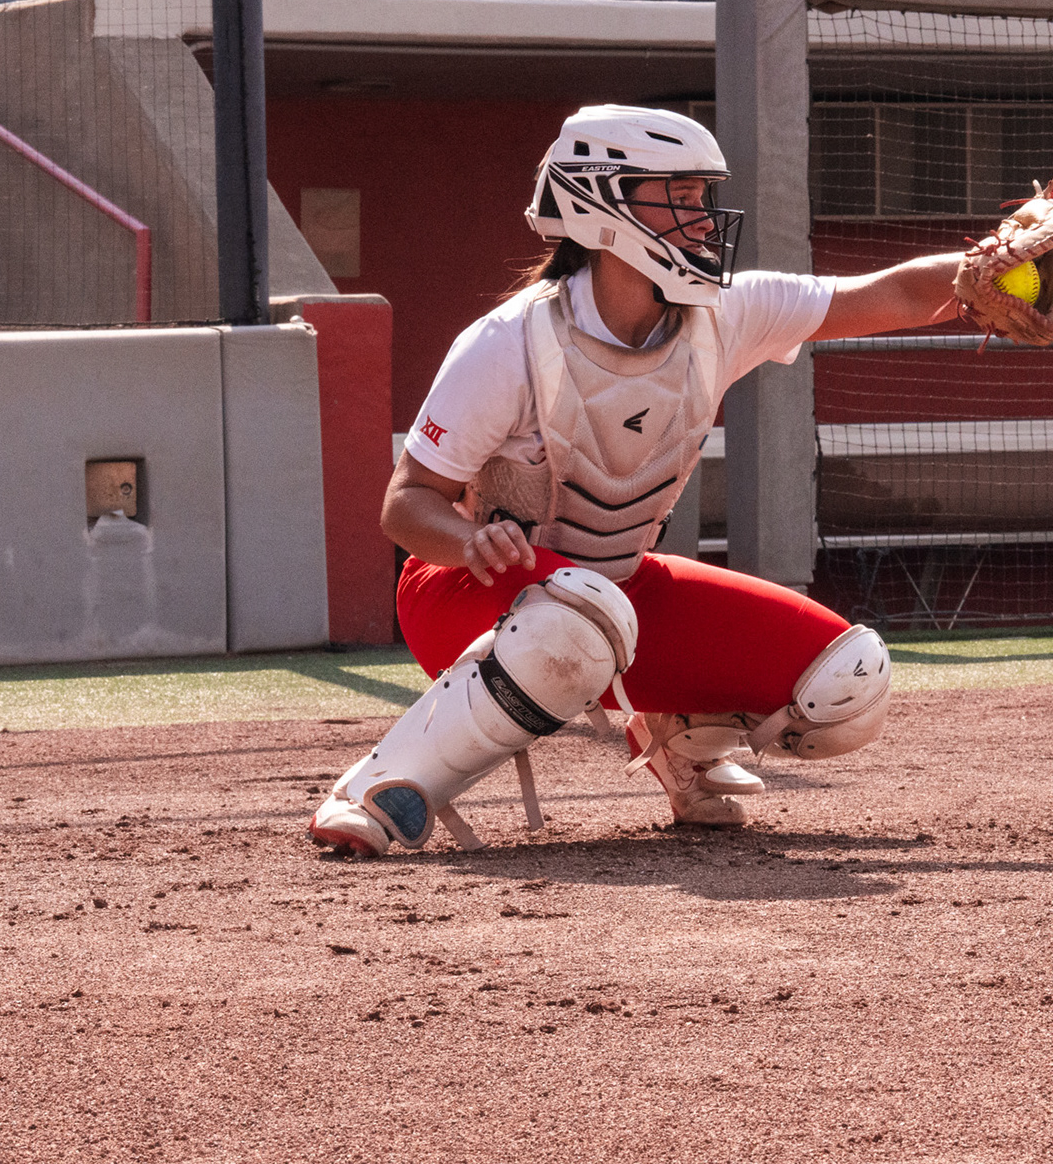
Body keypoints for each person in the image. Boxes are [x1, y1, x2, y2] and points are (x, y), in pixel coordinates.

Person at [309, 104, 963, 856]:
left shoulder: (726, 312)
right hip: (470, 593)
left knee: (847, 683)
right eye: (679, 195)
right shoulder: (507, 341)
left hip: (617, 588)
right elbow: (405, 504)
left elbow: (889, 295)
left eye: (702, 195)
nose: (704, 216)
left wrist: (993, 274)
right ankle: (378, 789)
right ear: (601, 204)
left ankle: (678, 733)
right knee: (574, 617)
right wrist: (466, 541)